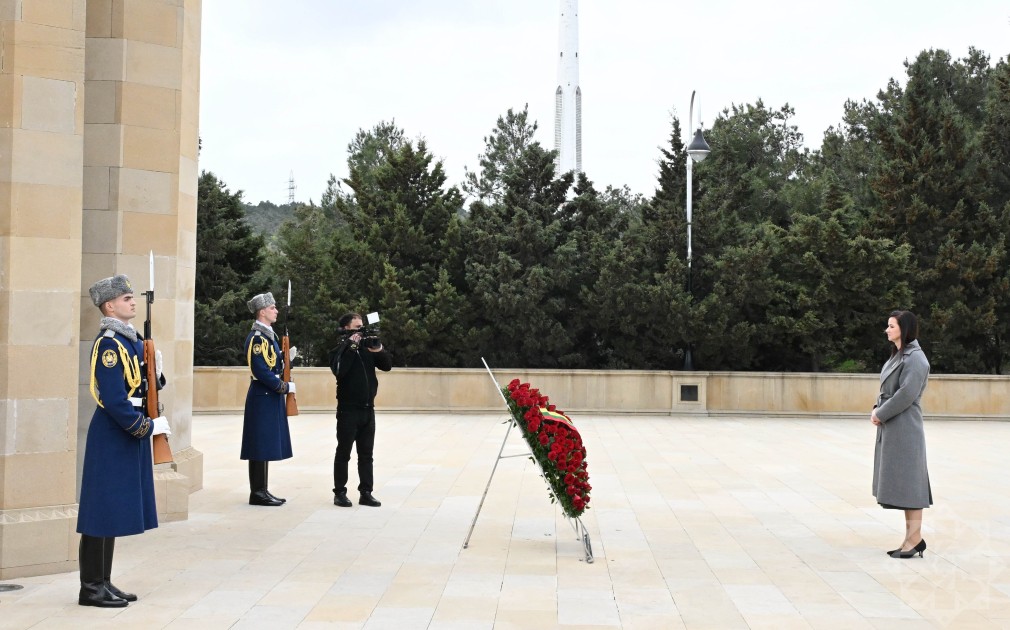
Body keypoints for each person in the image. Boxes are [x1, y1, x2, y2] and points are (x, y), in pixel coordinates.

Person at [77, 274, 171, 607]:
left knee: (112, 509)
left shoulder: (131, 340)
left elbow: (144, 385)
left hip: (127, 430)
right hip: (114, 432)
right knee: (100, 509)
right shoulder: (108, 344)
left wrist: (156, 370)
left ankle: (103, 580)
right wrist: (144, 427)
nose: (133, 301)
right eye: (126, 297)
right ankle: (90, 587)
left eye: (132, 296)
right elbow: (114, 399)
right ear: (110, 305)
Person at [871, 310, 932, 559]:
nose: (887, 330)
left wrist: (881, 413)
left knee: (912, 486)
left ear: (904, 329)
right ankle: (911, 538)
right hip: (895, 425)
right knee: (906, 485)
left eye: (892, 326)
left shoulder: (916, 359)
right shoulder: (899, 355)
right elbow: (888, 389)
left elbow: (906, 394)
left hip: (905, 427)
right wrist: (878, 408)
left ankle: (915, 539)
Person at [328, 312, 392, 507]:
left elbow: (387, 365)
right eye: (357, 328)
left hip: (368, 410)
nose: (361, 331)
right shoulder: (340, 350)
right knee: (344, 453)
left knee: (366, 454)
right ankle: (340, 492)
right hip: (348, 410)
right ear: (346, 329)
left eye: (362, 327)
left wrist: (379, 349)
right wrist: (351, 346)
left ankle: (366, 492)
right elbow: (339, 370)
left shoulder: (367, 349)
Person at [241, 292, 294, 506]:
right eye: (272, 308)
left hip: (268, 397)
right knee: (259, 445)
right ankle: (257, 492)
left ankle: (262, 489)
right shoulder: (257, 338)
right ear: (262, 312)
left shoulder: (268, 337)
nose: (276, 310)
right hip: (262, 396)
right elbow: (260, 370)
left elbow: (273, 364)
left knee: (264, 444)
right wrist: (282, 386)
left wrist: (287, 359)